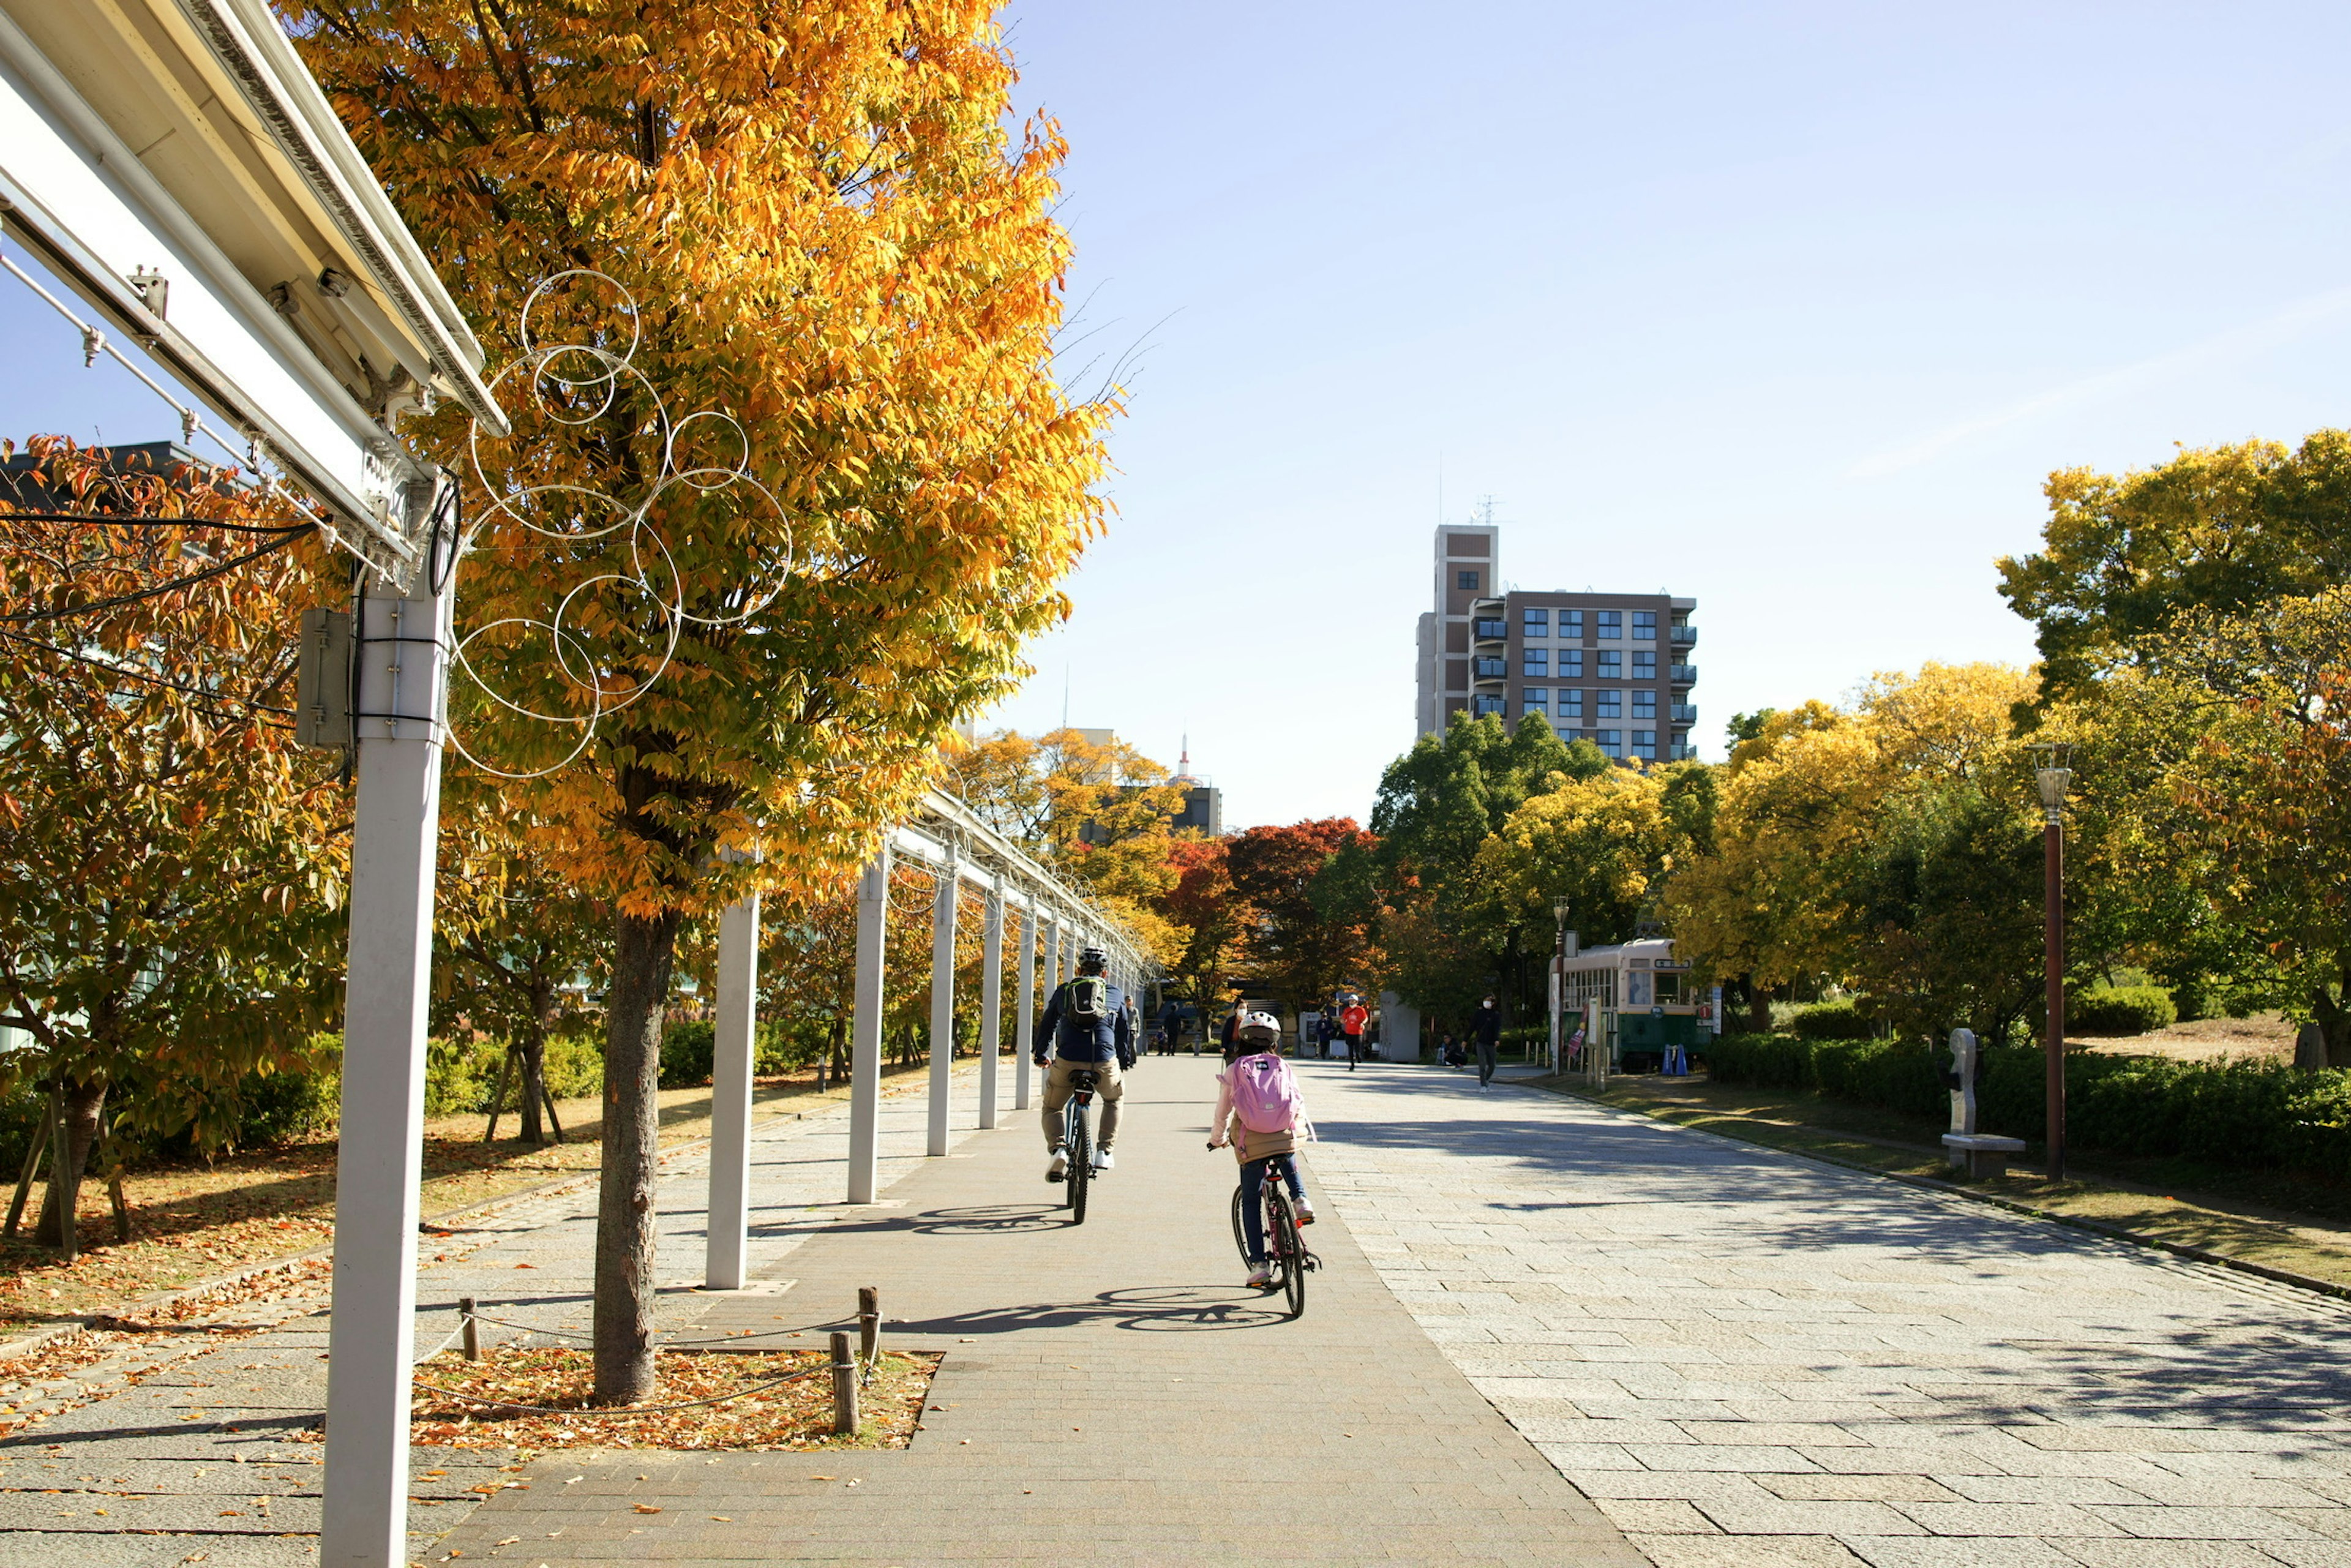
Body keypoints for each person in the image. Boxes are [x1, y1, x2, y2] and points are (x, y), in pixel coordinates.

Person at [1209, 1011, 1316, 1288]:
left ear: (1243, 1038)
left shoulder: (1235, 1068)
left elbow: (1223, 1110)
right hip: (1283, 1136)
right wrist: (1297, 1134)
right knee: (1286, 1154)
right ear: (1275, 1039)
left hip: (1252, 1142)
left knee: (1252, 1202)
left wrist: (1216, 1138)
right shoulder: (1283, 1066)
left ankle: (1259, 1265)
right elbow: (1297, 1103)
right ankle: (1301, 1199)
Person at [1035, 945, 1136, 1180]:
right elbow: (1123, 1032)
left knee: (1052, 1107)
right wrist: (1123, 1061)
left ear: (1079, 970)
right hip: (1103, 1060)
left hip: (1068, 1058)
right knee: (1114, 1099)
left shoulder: (1065, 990)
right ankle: (1104, 1151)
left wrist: (1040, 1054)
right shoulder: (1115, 993)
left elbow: (1047, 1024)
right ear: (1105, 973)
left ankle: (1058, 1149)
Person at [1472, 994, 1502, 1090]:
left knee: (1492, 1065)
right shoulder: (1479, 1013)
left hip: (1491, 1043)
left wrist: (1497, 1039)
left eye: (1489, 1001)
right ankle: (1483, 1085)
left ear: (1493, 1003)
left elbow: (1497, 1028)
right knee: (1482, 1064)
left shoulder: (1496, 1015)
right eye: (1485, 1000)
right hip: (1480, 1042)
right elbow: (1472, 1027)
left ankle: (1486, 1079)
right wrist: (1465, 1039)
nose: (1486, 1002)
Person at [1339, 995, 1368, 1071]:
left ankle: (1358, 1056)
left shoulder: (1361, 1010)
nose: (1351, 1002)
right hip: (1349, 1031)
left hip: (1358, 1032)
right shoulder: (1347, 1010)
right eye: (1350, 1001)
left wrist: (1363, 1023)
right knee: (1350, 1049)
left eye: (1352, 1001)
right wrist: (1342, 1021)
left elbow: (1366, 1018)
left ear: (1356, 1002)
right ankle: (1352, 1065)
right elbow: (1343, 1019)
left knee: (1357, 1048)